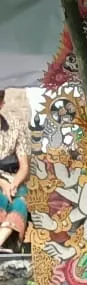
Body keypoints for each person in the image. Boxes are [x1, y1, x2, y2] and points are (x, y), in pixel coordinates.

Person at [0, 89, 30, 253]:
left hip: (12, 177)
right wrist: (2, 183)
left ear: (1, 104)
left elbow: (24, 166)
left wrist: (13, 185)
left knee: (20, 202)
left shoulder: (15, 127)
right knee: (1, 199)